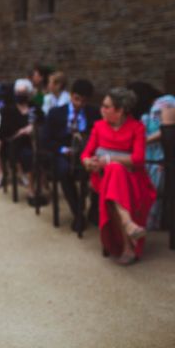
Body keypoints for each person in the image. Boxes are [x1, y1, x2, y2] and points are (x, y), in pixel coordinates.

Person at [81, 87, 156, 265]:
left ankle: (127, 242)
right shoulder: (98, 126)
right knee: (114, 171)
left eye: (107, 106)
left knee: (115, 169)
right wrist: (87, 163)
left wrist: (109, 159)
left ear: (120, 110)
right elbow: (85, 154)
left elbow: (138, 159)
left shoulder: (137, 128)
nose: (102, 109)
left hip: (133, 178)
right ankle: (128, 226)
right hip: (102, 177)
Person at [43, 79, 100, 231]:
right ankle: (78, 212)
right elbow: (45, 140)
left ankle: (94, 210)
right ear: (71, 96)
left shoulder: (94, 113)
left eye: (84, 101)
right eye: (77, 99)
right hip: (62, 154)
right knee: (63, 170)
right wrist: (63, 149)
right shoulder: (55, 113)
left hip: (86, 154)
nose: (80, 104)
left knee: (101, 169)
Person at [143, 94, 175, 229]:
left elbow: (166, 131)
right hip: (152, 158)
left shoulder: (167, 103)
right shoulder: (146, 117)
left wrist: (144, 141)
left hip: (161, 157)